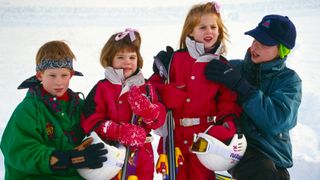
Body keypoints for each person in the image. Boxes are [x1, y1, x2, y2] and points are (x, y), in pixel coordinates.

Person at [149, 2, 242, 180]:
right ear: (190, 31)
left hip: (205, 140)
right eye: (202, 27)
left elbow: (227, 101)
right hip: (174, 137)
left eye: (213, 27)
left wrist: (228, 121)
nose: (209, 31)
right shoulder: (174, 60)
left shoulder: (220, 66)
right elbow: (151, 90)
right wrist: (164, 91)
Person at [205, 14, 301, 180]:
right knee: (260, 170)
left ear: (282, 50)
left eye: (264, 44)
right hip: (235, 149)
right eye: (255, 40)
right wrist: (172, 64)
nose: (255, 47)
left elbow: (276, 121)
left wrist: (243, 88)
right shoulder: (233, 68)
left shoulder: (289, 81)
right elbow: (197, 74)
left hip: (272, 155)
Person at [0, 40, 108, 180]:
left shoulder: (80, 106)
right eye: (52, 75)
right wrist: (70, 159)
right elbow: (20, 152)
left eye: (64, 75)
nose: (59, 82)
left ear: (71, 74)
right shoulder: (28, 110)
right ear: (40, 76)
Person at [81, 28, 166, 180]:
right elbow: (90, 120)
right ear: (110, 59)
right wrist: (117, 131)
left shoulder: (146, 87)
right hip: (112, 155)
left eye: (132, 57)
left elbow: (159, 120)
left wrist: (149, 111)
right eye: (120, 57)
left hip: (142, 155)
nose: (127, 62)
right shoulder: (102, 88)